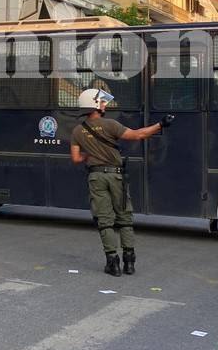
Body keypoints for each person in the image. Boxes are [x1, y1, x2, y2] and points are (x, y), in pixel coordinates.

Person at [70, 88, 171, 277]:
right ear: (95, 105)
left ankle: (112, 263)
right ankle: (129, 262)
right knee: (125, 218)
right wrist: (159, 124)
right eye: (102, 102)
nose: (104, 105)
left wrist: (91, 154)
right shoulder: (110, 124)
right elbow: (139, 135)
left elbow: (76, 158)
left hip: (95, 176)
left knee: (105, 221)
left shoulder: (78, 130)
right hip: (116, 176)